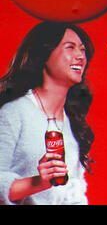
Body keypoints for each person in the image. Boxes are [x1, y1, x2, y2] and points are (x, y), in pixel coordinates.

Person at [0, 21, 95, 204]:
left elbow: (73, 191)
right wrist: (39, 182)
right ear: (44, 54)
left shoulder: (71, 121)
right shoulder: (14, 113)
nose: (80, 56)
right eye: (70, 47)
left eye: (83, 50)